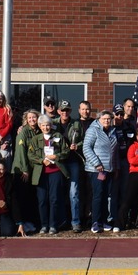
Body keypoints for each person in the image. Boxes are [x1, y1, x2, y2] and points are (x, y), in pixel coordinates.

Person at [28, 114, 69, 235]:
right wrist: (41, 160)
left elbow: (66, 151)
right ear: (40, 126)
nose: (46, 127)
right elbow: (30, 155)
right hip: (41, 174)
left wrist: (57, 156)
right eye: (43, 125)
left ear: (51, 125)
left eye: (48, 125)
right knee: (42, 200)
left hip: (55, 172)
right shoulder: (35, 139)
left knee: (54, 199)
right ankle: (44, 225)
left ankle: (53, 225)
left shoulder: (58, 136)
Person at [83, 108, 119, 233]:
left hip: (109, 170)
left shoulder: (113, 131)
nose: (107, 121)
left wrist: (116, 167)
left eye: (109, 119)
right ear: (99, 119)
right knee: (98, 195)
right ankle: (95, 222)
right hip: (96, 170)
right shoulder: (93, 130)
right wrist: (96, 163)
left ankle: (103, 221)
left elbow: (115, 152)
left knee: (105, 196)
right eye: (104, 119)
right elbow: (86, 148)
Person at [11, 109, 41, 235]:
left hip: (33, 170)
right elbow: (20, 152)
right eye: (29, 118)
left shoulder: (39, 131)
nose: (32, 120)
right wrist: (24, 170)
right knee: (21, 198)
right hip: (22, 171)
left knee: (30, 198)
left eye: (34, 117)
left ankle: (30, 222)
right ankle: (22, 223)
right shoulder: (23, 132)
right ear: (26, 119)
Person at [59, 100, 85, 233]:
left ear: (70, 111)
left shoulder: (76, 123)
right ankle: (62, 220)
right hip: (59, 162)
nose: (65, 113)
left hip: (73, 161)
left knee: (74, 192)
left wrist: (77, 146)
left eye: (67, 110)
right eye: (62, 110)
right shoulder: (53, 125)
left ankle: (75, 221)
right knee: (60, 192)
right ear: (59, 111)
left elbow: (84, 140)